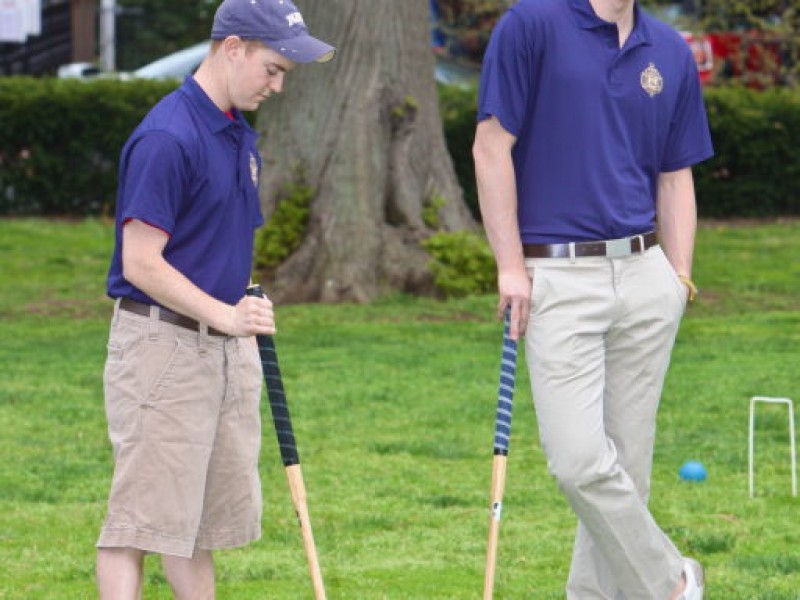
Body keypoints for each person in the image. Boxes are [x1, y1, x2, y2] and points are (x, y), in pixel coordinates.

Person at [473, 0, 713, 598]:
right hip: (556, 277)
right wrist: (509, 266)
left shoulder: (670, 51)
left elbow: (675, 173)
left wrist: (678, 278)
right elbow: (490, 147)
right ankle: (674, 581)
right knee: (579, 463)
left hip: (645, 277)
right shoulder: (530, 25)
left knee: (627, 472)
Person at [96, 0, 334, 597]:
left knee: (195, 527)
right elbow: (140, 261)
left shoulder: (235, 133)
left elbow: (214, 243)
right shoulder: (167, 137)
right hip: (162, 349)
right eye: (272, 68)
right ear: (233, 48)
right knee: (137, 526)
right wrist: (225, 314)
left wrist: (238, 312)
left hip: (222, 350)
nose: (278, 85)